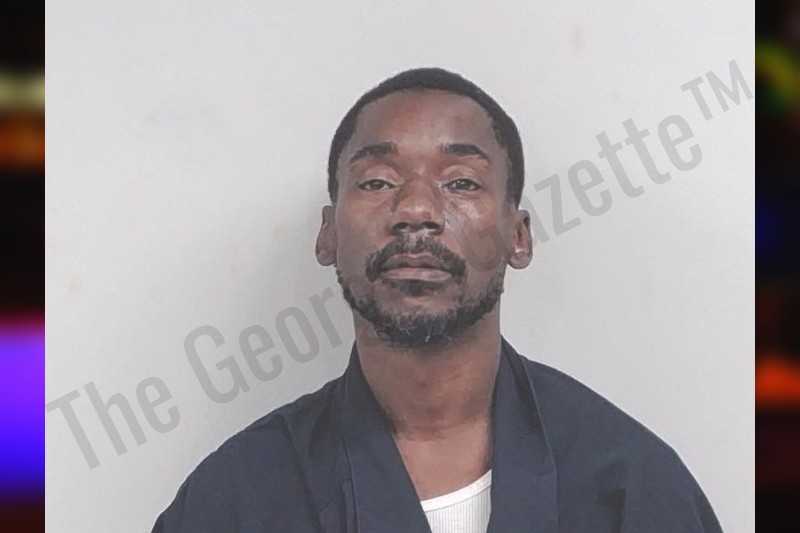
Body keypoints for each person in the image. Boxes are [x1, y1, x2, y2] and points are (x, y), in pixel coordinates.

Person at [152, 68, 723, 532]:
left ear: (518, 236)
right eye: (377, 181)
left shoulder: (629, 487)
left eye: (461, 183)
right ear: (327, 236)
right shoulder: (235, 498)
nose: (416, 210)